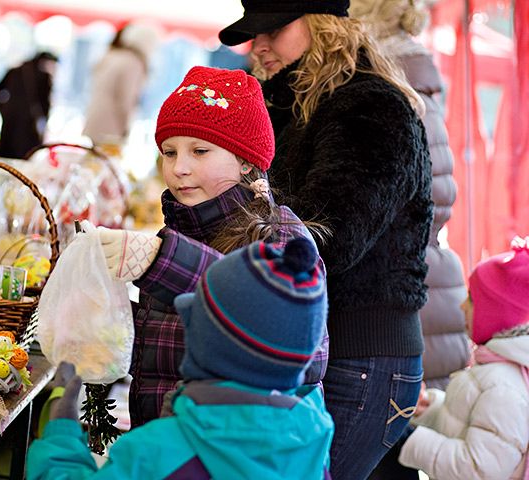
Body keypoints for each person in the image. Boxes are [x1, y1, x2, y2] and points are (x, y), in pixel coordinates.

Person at [218, 1, 433, 478]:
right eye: (256, 34)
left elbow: (328, 238)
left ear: (323, 23)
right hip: (312, 348)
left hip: (361, 356)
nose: (261, 46)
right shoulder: (289, 103)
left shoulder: (369, 105)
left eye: (275, 27)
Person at [97, 65, 329, 428]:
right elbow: (166, 346)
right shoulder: (185, 227)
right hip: (167, 445)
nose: (179, 168)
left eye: (200, 151)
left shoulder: (278, 234)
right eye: (169, 152)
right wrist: (107, 310)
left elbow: (298, 348)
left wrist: (164, 261)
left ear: (246, 161)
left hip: (231, 450)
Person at [28, 237, 334, 480]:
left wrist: (61, 435)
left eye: (197, 315)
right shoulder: (311, 446)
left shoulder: (158, 452)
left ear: (213, 345)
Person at [350, 0, 470, 393]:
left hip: (406, 288)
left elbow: (427, 198)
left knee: (411, 443)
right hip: (429, 281)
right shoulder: (418, 84)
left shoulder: (390, 89)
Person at [398, 236, 529, 479]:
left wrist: (409, 440)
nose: (462, 306)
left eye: (472, 299)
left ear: (498, 314)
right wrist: (431, 407)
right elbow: (471, 429)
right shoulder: (498, 371)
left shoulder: (503, 386)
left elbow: (478, 470)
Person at [82, 22, 160, 154]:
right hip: (110, 128)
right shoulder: (133, 62)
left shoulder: (112, 55)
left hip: (93, 121)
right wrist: (126, 128)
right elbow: (126, 99)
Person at [0, 51, 57, 159]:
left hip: (9, 127)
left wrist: (5, 110)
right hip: (29, 133)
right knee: (24, 167)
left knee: (5, 164)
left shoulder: (14, 71)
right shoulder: (44, 77)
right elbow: (46, 108)